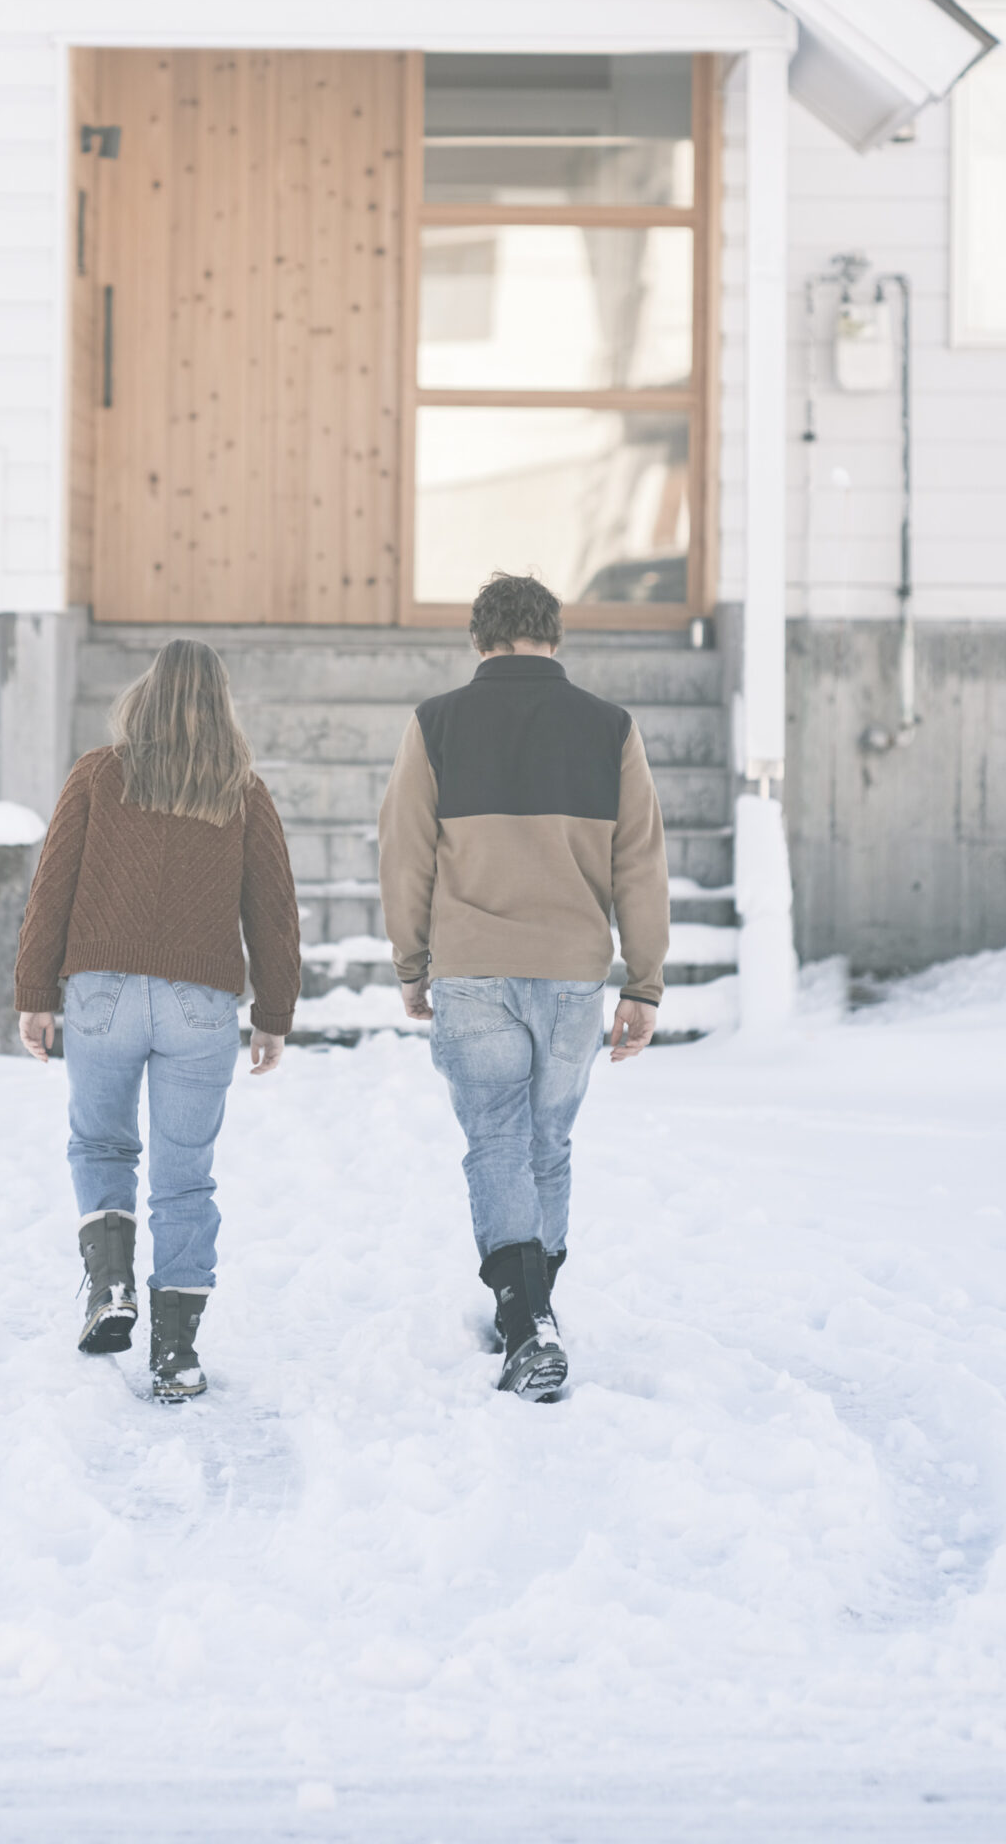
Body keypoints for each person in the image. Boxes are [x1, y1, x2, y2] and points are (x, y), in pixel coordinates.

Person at [377, 572, 670, 1401]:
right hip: (574, 974)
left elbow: (404, 852)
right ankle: (535, 1308)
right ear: (555, 635)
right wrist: (644, 983)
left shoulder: (436, 723)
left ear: (479, 639)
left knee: (497, 1142)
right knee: (548, 1143)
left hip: (472, 967)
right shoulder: (610, 728)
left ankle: (524, 1313)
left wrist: (412, 961)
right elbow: (640, 862)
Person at [15, 638, 300, 1402]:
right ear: (220, 705)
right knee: (184, 1179)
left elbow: (52, 887)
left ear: (145, 695)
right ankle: (176, 1354)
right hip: (197, 1003)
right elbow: (273, 913)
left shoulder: (98, 775)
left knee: (101, 1143)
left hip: (102, 993)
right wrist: (273, 1014)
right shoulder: (242, 793)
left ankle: (111, 1287)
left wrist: (35, 992)